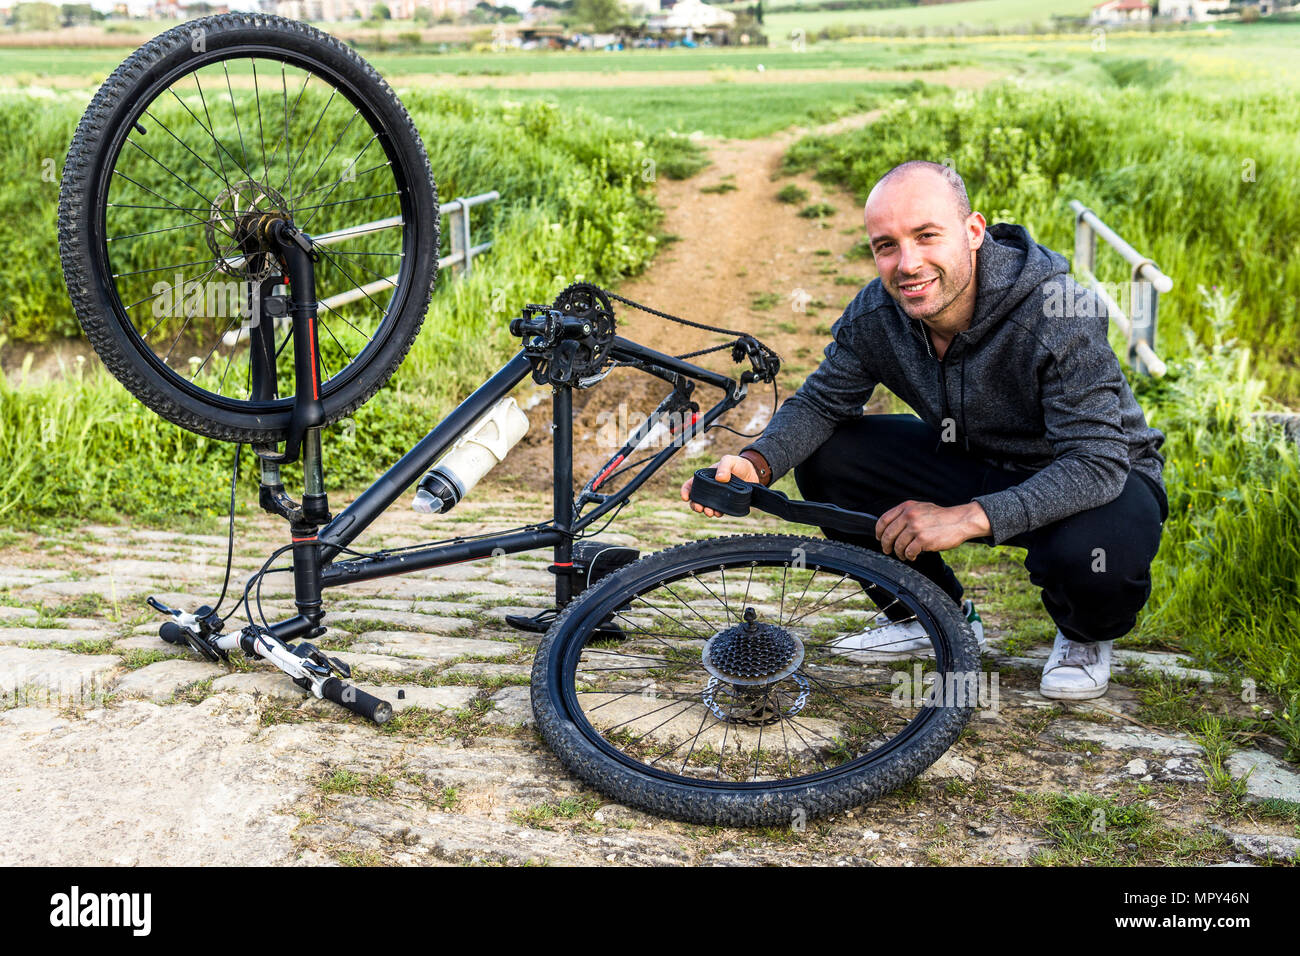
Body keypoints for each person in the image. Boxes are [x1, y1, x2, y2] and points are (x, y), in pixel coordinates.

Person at [681, 160, 1168, 700]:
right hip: (973, 457)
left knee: (1100, 552)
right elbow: (821, 403)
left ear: (974, 231)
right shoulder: (877, 313)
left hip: (1097, 476)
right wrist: (755, 463)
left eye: (926, 236)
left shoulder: (1059, 311)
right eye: (885, 245)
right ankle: (926, 610)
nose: (907, 264)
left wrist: (967, 517)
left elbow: (1097, 462)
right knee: (829, 456)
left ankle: (1083, 635)